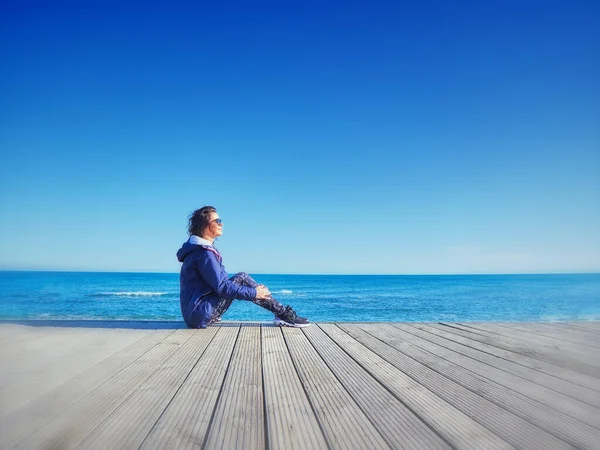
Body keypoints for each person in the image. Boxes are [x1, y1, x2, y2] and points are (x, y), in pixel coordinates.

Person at [177, 206, 310, 329]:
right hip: (199, 316)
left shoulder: (201, 250)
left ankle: (282, 313)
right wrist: (255, 293)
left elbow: (220, 284)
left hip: (195, 314)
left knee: (241, 278)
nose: (221, 224)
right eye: (217, 221)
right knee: (242, 277)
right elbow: (223, 287)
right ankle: (284, 314)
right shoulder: (204, 254)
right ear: (205, 225)